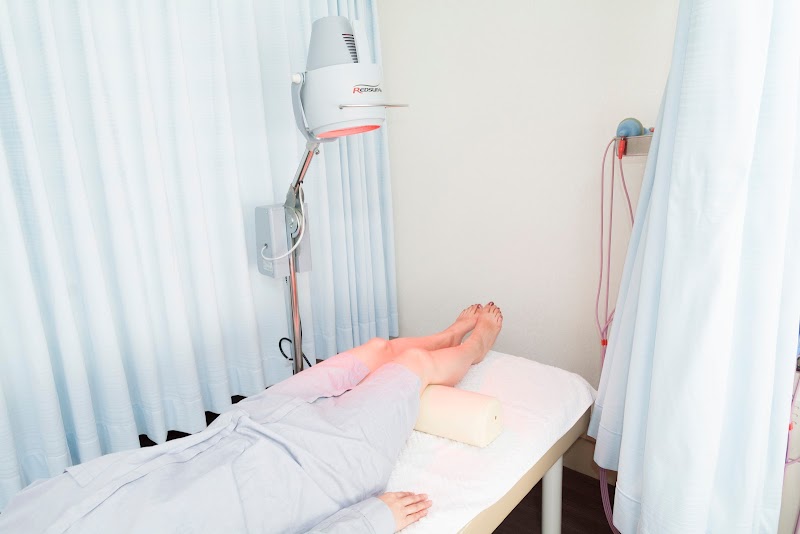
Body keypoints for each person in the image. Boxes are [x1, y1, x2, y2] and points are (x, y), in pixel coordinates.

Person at [0, 303, 503, 534]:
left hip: (242, 428)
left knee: (374, 350)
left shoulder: (21, 514)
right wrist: (374, 519)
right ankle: (474, 346)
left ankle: (443, 336)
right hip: (320, 468)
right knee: (410, 366)